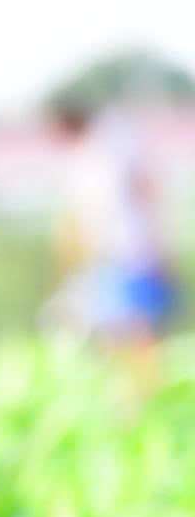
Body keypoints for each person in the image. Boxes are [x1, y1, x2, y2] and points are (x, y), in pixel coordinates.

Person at [49, 95, 178, 392]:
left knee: (133, 329)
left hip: (125, 255)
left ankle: (145, 393)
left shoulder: (103, 153)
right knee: (117, 330)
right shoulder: (94, 155)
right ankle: (130, 393)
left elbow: (91, 218)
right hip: (116, 256)